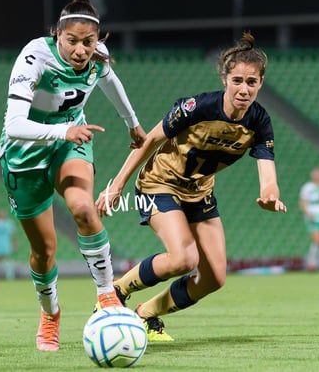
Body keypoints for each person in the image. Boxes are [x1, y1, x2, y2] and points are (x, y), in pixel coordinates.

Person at [95, 32, 287, 342]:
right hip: (159, 183)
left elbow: (268, 173)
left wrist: (270, 196)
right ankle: (114, 293)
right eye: (237, 80)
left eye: (251, 82)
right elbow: (149, 141)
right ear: (225, 78)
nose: (243, 89)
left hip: (199, 194)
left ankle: (144, 315)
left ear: (260, 83)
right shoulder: (197, 107)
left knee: (214, 278)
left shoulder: (259, 121)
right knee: (184, 258)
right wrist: (115, 187)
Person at [0, 0, 147, 351]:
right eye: (72, 41)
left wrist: (133, 124)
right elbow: (16, 124)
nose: (81, 50)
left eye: (88, 42)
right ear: (57, 35)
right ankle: (50, 315)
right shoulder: (34, 56)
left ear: (98, 41)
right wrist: (63, 130)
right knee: (44, 250)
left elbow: (112, 83)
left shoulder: (98, 58)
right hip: (24, 154)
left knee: (82, 207)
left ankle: (107, 295)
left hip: (71, 142)